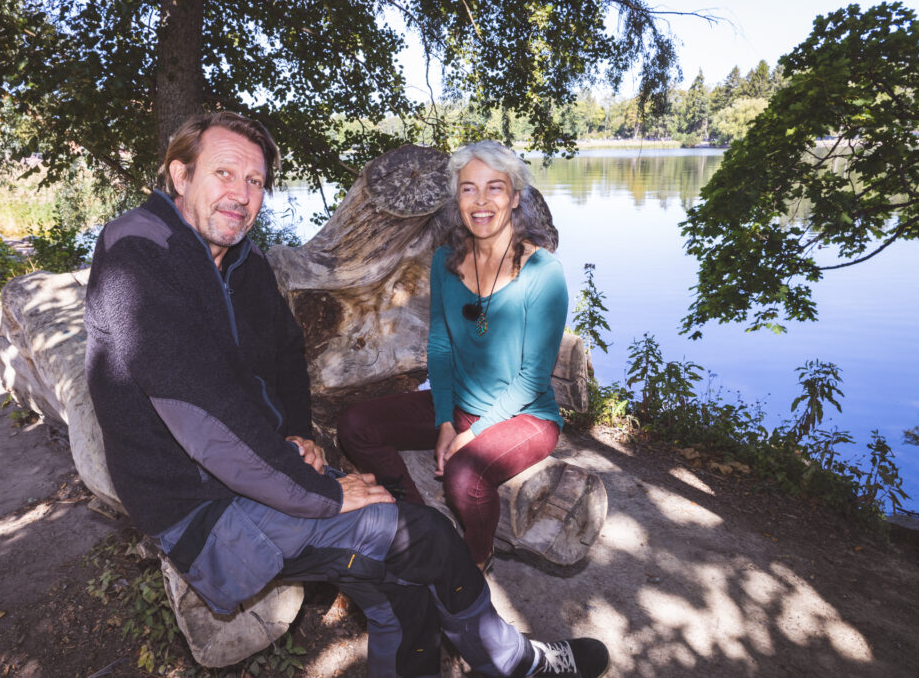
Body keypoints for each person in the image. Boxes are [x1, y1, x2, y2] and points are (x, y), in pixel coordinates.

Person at [84, 112, 607, 678]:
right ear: (180, 175)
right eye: (224, 173)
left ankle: (494, 655)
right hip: (206, 511)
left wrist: (296, 431)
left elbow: (285, 352)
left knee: (404, 594)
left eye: (255, 181)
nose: (241, 194)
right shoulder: (141, 251)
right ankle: (514, 663)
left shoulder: (244, 261)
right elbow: (202, 416)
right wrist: (324, 494)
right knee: (424, 537)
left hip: (251, 474)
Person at [339, 140, 568, 572]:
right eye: (469, 189)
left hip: (525, 416)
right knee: (355, 424)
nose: (481, 202)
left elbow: (532, 378)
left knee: (466, 476)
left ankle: (473, 561)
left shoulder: (544, 273)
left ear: (515, 197)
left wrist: (472, 434)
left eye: (495, 188)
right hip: (458, 406)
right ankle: (416, 521)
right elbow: (441, 348)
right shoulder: (446, 260)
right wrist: (446, 420)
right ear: (457, 197)